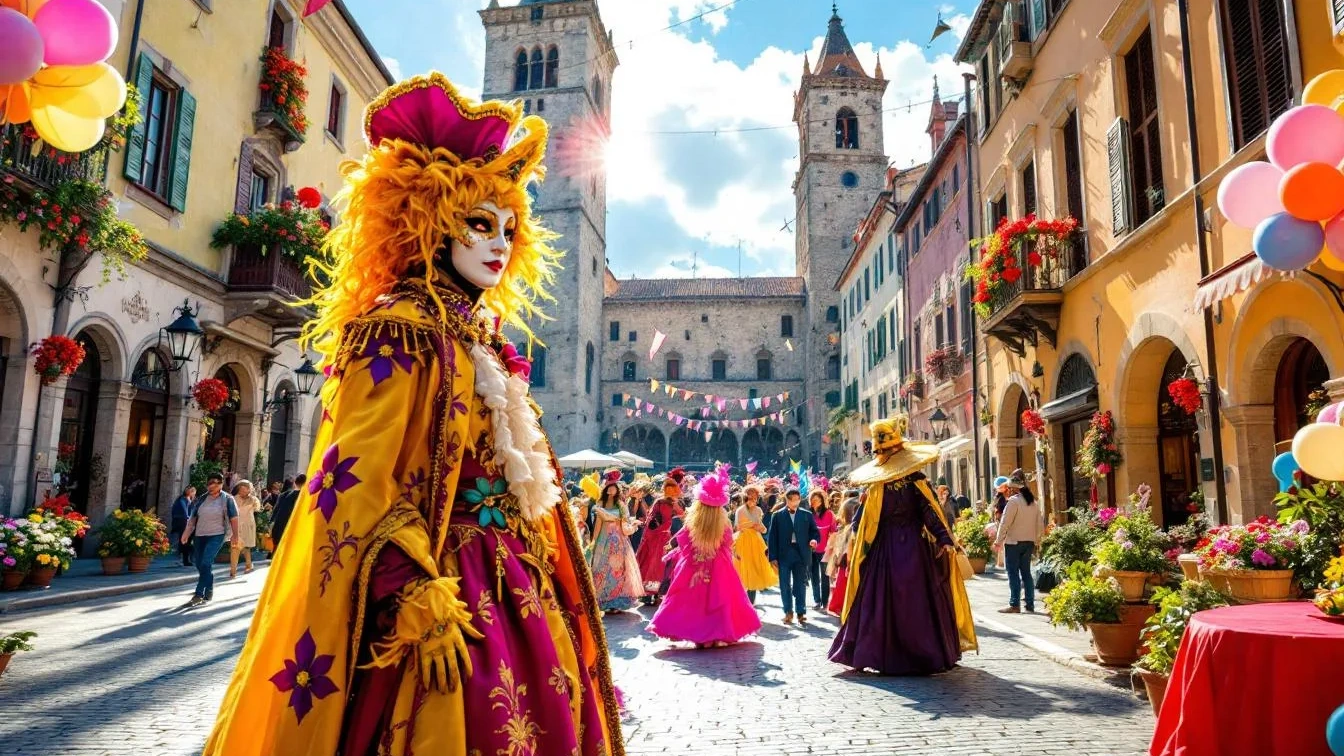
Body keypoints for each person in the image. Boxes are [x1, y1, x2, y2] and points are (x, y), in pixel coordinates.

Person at [202, 73, 622, 756]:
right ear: (427, 217)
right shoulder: (398, 330)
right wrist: (409, 590)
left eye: (510, 229)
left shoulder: (482, 339)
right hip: (443, 591)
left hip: (519, 590)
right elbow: (358, 481)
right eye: (479, 223)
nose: (499, 244)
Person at [830, 418, 978, 676]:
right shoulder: (909, 482)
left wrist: (862, 546)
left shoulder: (884, 487)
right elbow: (929, 515)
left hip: (885, 552)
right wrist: (944, 539)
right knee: (917, 600)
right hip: (912, 549)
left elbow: (859, 524)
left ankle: (883, 653)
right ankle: (923, 652)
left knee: (880, 601)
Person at [648, 468, 761, 647]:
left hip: (694, 563)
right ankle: (716, 635)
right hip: (719, 564)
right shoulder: (722, 521)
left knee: (691, 599)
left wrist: (682, 550)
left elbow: (684, 538)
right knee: (720, 597)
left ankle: (698, 637)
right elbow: (727, 541)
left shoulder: (695, 519)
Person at [180, 473, 240, 607]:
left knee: (206, 562)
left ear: (221, 484)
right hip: (200, 535)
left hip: (216, 535)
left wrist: (235, 536)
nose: (212, 485)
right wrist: (186, 533)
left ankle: (198, 594)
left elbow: (234, 518)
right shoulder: (201, 499)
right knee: (199, 563)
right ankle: (210, 586)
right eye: (209, 483)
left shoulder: (227, 499)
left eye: (215, 483)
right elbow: (193, 518)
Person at [588, 473, 643, 613]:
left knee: (618, 570)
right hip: (604, 540)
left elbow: (624, 523)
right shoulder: (600, 504)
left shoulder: (621, 505)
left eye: (613, 488)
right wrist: (594, 541)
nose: (611, 490)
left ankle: (616, 600)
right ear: (605, 489)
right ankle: (604, 599)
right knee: (602, 567)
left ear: (617, 489)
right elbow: (598, 525)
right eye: (609, 488)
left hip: (618, 541)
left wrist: (631, 527)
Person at [766, 488, 820, 626]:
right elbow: (772, 537)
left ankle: (801, 612)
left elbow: (814, 532)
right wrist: (772, 557)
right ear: (787, 500)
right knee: (784, 585)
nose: (795, 502)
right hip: (783, 554)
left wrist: (814, 540)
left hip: (801, 553)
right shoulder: (777, 515)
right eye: (792, 500)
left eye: (797, 499)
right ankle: (788, 612)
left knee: (800, 584)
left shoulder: (807, 515)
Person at [994, 469, 1044, 614]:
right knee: (1026, 573)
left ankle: (1014, 604)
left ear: (1013, 489)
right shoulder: (1033, 502)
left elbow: (1005, 523)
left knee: (1013, 573)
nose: (1007, 491)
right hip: (1029, 542)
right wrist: (1038, 539)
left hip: (1014, 542)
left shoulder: (1013, 502)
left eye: (1009, 488)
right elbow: (1040, 523)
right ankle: (1030, 604)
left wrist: (998, 541)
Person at [636, 468, 686, 605]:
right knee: (656, 565)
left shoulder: (667, 502)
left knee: (658, 565)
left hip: (661, 538)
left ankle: (655, 593)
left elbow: (683, 516)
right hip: (659, 537)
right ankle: (652, 594)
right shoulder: (664, 502)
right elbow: (651, 519)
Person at [732, 484, 776, 605]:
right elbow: (737, 527)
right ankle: (742, 602)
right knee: (743, 570)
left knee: (755, 570)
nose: (754, 500)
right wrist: (751, 526)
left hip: (756, 541)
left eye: (756, 498)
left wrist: (760, 528)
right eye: (751, 498)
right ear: (745, 497)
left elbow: (764, 529)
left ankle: (751, 603)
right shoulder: (740, 510)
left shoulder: (758, 510)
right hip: (744, 541)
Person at [825, 497, 860, 616]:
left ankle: (840, 606)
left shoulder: (848, 528)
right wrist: (838, 561)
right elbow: (841, 548)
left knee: (843, 585)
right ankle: (838, 606)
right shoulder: (848, 528)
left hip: (848, 560)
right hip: (847, 561)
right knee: (842, 585)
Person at [808, 490, 836, 611]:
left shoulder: (829, 514)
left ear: (822, 501)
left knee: (825, 576)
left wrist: (830, 547)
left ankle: (825, 602)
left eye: (818, 500)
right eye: (813, 500)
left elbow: (834, 532)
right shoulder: (808, 514)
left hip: (825, 550)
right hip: (811, 550)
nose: (815, 502)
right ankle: (816, 600)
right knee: (814, 576)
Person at [230, 480, 261, 578]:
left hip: (248, 525)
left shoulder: (253, 499)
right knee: (235, 547)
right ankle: (233, 571)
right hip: (236, 525)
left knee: (245, 547)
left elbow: (257, 509)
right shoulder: (233, 499)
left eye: (246, 489)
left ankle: (248, 564)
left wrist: (253, 497)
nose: (243, 491)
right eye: (241, 489)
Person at [269, 474, 303, 551]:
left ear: (295, 483)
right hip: (295, 529)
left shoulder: (283, 495)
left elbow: (275, 511)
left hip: (280, 528)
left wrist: (271, 524)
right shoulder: (305, 496)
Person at [169, 486, 196, 567]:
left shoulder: (189, 499)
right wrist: (188, 519)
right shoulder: (182, 499)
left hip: (186, 522)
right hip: (182, 522)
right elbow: (184, 512)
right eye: (193, 492)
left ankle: (186, 558)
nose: (194, 494)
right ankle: (184, 559)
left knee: (187, 541)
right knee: (184, 541)